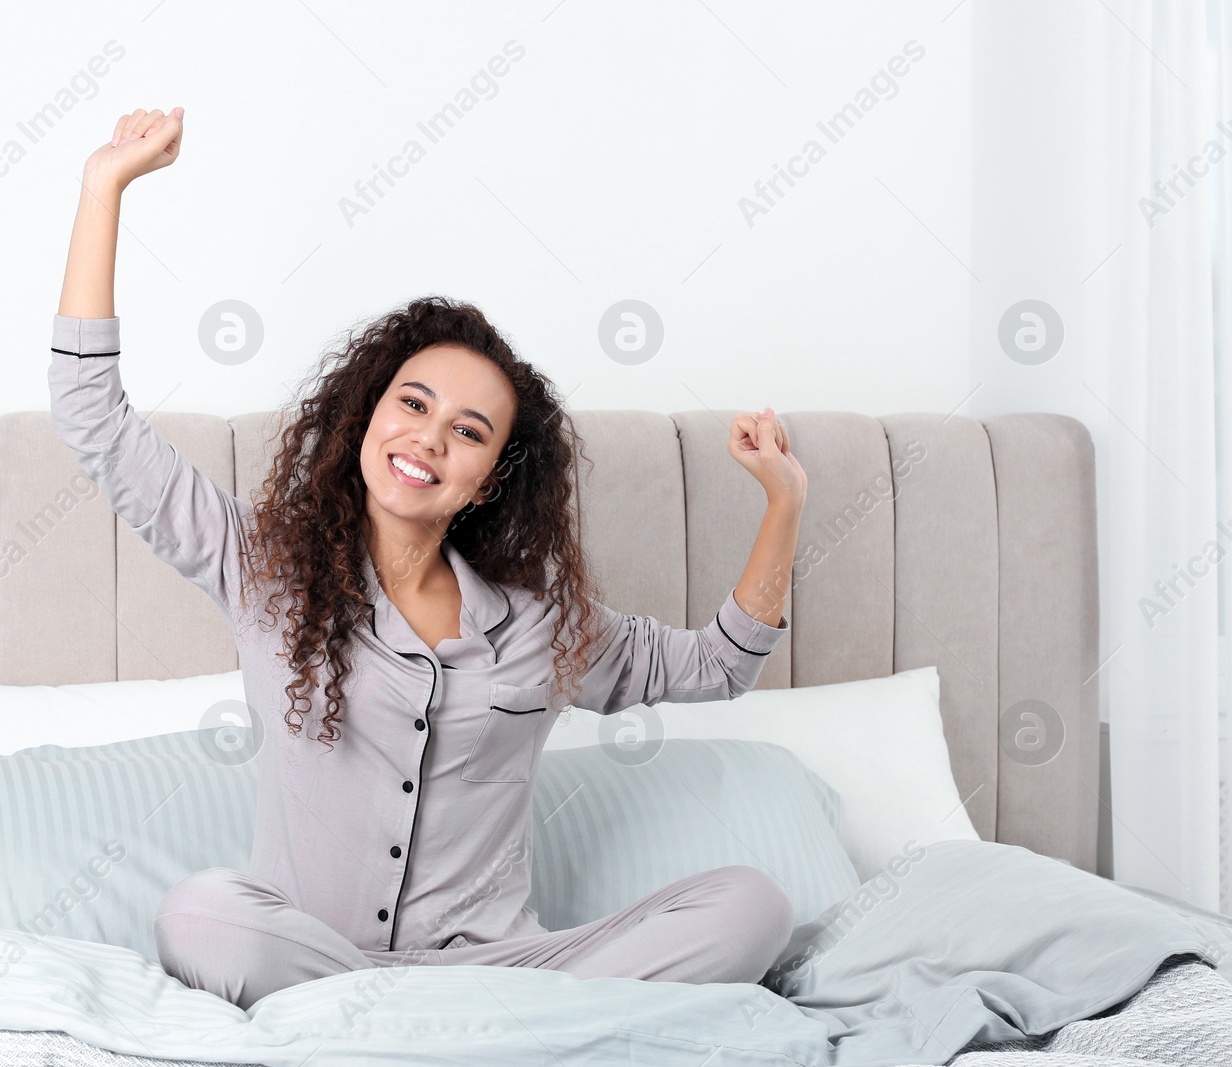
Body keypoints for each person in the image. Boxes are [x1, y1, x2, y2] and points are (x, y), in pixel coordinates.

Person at [51, 107, 806, 1011]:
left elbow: (719, 665)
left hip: (501, 974)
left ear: (486, 482)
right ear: (368, 416)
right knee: (202, 914)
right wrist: (103, 190)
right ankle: (431, 1025)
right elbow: (95, 419)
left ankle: (445, 1021)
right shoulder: (263, 571)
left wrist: (785, 499)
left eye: (468, 431)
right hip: (315, 963)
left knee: (751, 906)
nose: (428, 438)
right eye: (412, 404)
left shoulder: (544, 626)